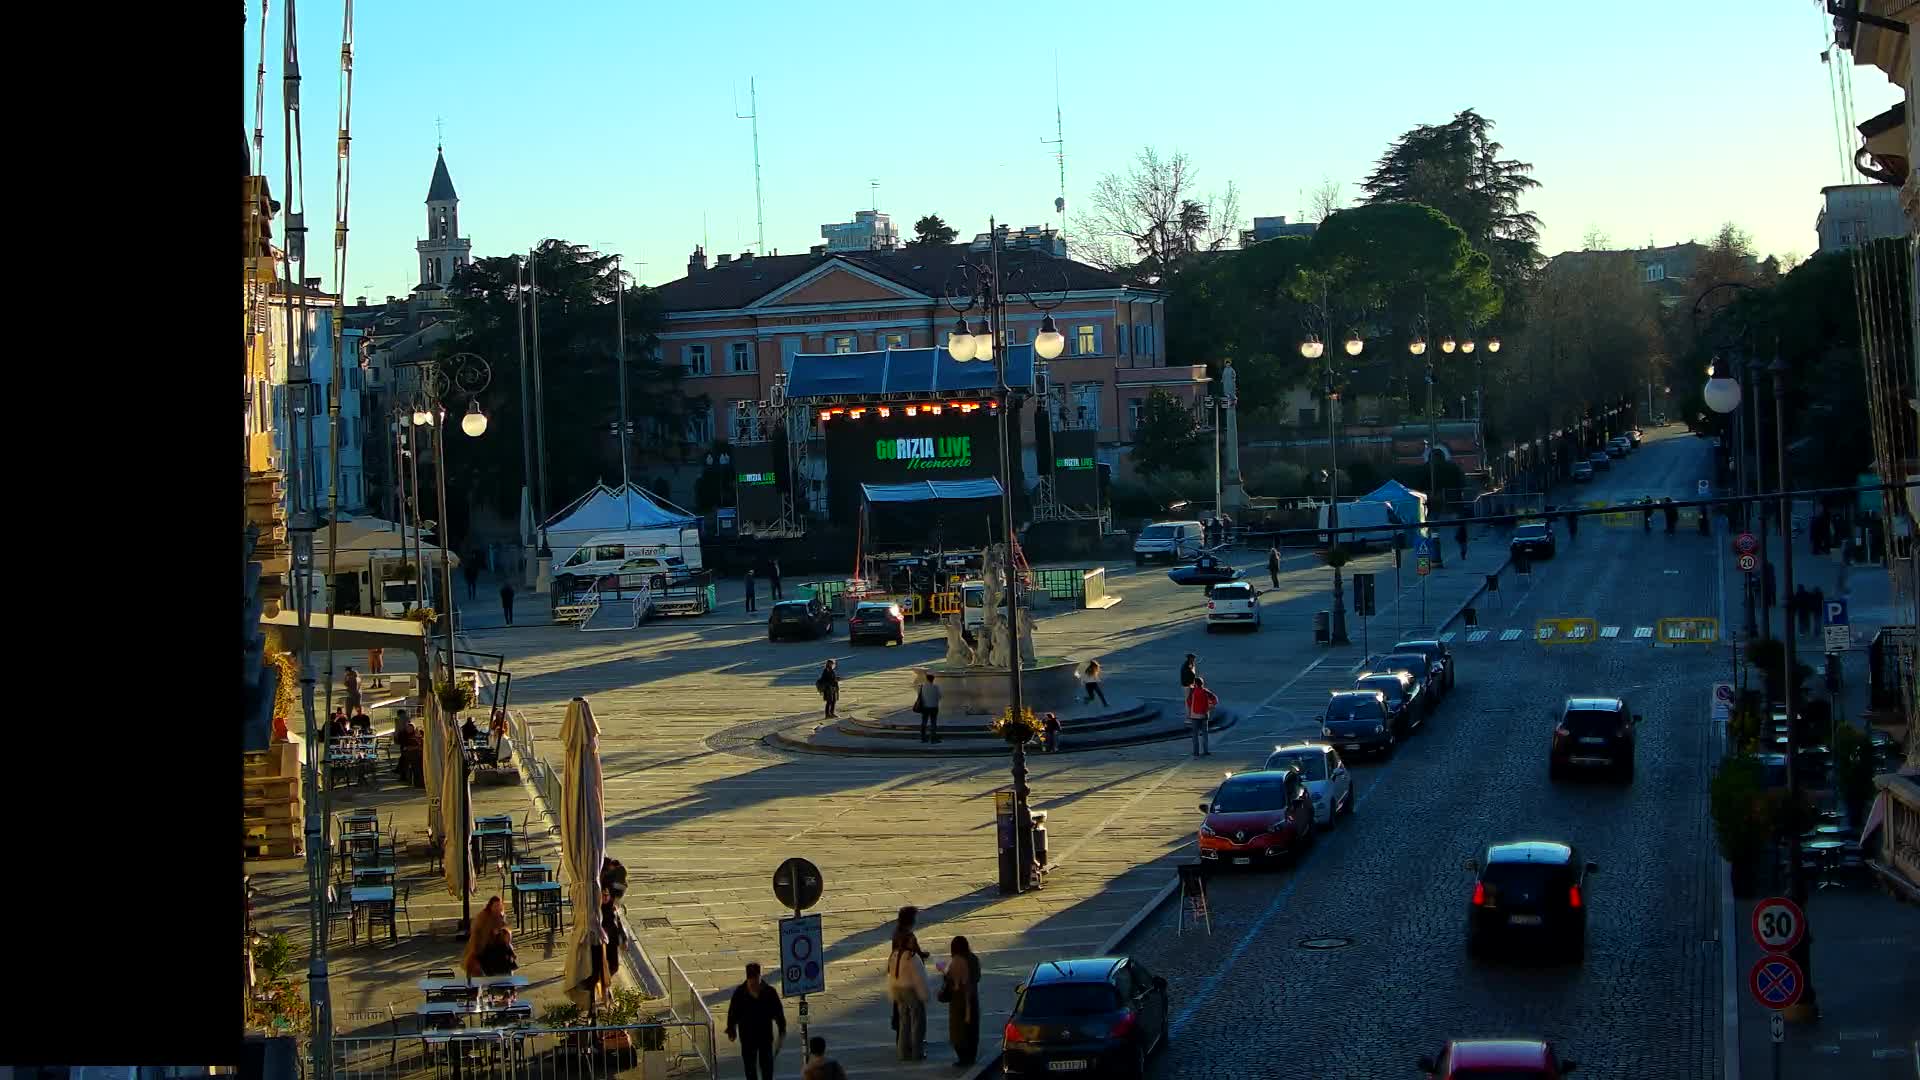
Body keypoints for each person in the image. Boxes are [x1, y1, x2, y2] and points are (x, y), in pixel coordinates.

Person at [725, 961, 787, 1080]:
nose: (754, 985)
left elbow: (778, 1012)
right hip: (747, 1037)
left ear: (760, 977)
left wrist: (782, 1029)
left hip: (765, 1036)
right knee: (750, 1069)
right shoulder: (740, 993)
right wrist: (731, 1030)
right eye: (751, 982)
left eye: (756, 981)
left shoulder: (769, 992)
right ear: (748, 979)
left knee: (767, 1068)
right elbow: (732, 1013)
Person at [888, 907, 930, 1062]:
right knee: (918, 1019)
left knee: (904, 1019)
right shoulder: (910, 939)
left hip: (897, 983)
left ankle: (902, 1052)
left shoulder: (896, 935)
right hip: (910, 985)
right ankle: (917, 1052)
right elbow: (918, 956)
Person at [941, 936, 982, 1067]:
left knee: (958, 1032)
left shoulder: (955, 963)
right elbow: (977, 977)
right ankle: (971, 1056)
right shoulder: (974, 959)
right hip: (972, 999)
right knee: (972, 1030)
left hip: (958, 1002)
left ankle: (963, 1058)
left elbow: (949, 982)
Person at [462, 896, 518, 977]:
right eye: (495, 906)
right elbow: (476, 933)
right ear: (490, 906)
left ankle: (508, 980)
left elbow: (504, 929)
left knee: (506, 955)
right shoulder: (483, 916)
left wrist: (503, 933)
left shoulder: (501, 915)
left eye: (499, 906)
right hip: (484, 946)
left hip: (497, 944)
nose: (497, 908)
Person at [1186, 675, 1217, 758]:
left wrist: (1191, 709)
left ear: (1195, 684)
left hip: (1194, 716)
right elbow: (1215, 699)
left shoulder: (1192, 692)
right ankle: (1205, 751)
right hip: (1204, 716)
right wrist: (1210, 706)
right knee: (1205, 734)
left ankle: (1196, 752)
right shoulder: (1206, 691)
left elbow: (1188, 702)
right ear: (1202, 683)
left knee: (1195, 735)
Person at [916, 673, 942, 744]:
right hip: (934, 707)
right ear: (933, 679)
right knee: (933, 723)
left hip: (925, 707)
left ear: (927, 679)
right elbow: (939, 696)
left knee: (924, 722)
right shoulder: (936, 687)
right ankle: (933, 739)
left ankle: (923, 738)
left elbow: (919, 696)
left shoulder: (922, 687)